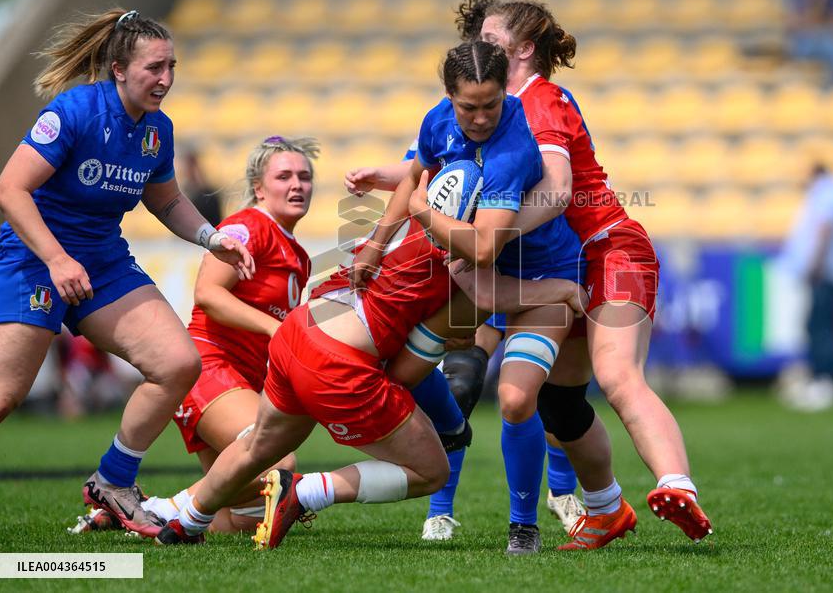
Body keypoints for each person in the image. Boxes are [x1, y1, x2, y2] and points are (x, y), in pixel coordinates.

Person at [153, 41, 588, 549]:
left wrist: (383, 241)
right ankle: (306, 491)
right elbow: (483, 249)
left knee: (262, 446)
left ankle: (185, 519)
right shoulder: (458, 234)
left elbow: (417, 184)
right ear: (449, 97)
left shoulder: (496, 156)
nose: (478, 117)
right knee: (429, 468)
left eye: (489, 105)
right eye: (467, 107)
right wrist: (554, 285)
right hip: (336, 359)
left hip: (301, 332)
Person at [454, 0, 713, 548]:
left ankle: (677, 485)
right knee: (559, 400)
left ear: (523, 49)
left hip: (610, 249)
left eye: (491, 40)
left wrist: (487, 235)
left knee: (618, 376)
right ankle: (605, 511)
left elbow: (556, 191)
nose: (478, 47)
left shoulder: (539, 99)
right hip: (570, 265)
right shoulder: (499, 111)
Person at [0, 8, 254, 536]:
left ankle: (112, 482)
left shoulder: (156, 131)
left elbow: (168, 201)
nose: (166, 79)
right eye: (155, 67)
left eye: (172, 66)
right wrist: (58, 259)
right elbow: (8, 189)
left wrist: (211, 238)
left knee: (177, 364)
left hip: (103, 262)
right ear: (118, 70)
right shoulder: (75, 111)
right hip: (35, 260)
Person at [69, 135, 316, 535]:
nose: (297, 185)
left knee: (237, 519)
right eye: (284, 176)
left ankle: (136, 514)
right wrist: (275, 327)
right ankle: (141, 504)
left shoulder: (297, 252)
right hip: (210, 371)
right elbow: (208, 294)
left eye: (304, 177)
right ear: (258, 187)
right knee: (280, 466)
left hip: (239, 382)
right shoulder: (248, 226)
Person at [777, 163, 833, 411]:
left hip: (827, 271)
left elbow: (825, 228)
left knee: (822, 326)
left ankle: (826, 380)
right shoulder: (826, 193)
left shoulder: (828, 191)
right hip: (826, 270)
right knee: (817, 324)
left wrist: (816, 263)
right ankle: (820, 378)